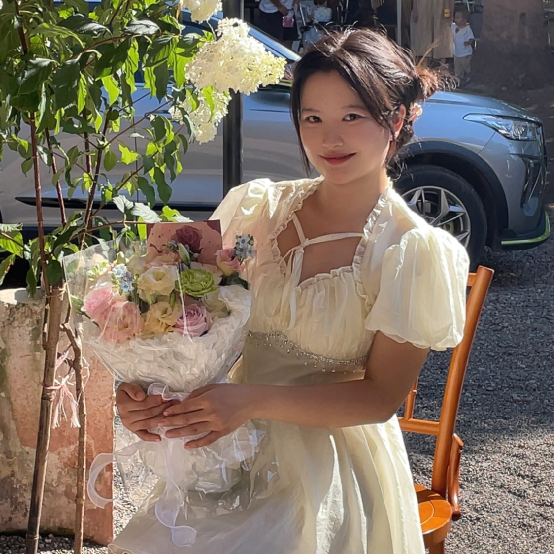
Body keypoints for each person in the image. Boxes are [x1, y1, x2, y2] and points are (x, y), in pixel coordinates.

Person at [112, 29, 469, 554]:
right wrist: (143, 391)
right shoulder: (254, 208)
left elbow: (380, 398)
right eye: (312, 118)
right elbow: (184, 318)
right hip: (224, 444)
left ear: (395, 119)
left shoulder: (410, 250)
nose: (330, 139)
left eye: (352, 116)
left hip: (327, 467)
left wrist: (249, 401)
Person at [452, 7, 475, 85]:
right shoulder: (454, 27)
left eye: (458, 18)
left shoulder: (467, 29)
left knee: (466, 66)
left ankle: (468, 75)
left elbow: (471, 38)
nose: (455, 19)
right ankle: (458, 80)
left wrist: (468, 42)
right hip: (456, 53)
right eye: (455, 17)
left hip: (465, 53)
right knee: (457, 67)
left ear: (464, 20)